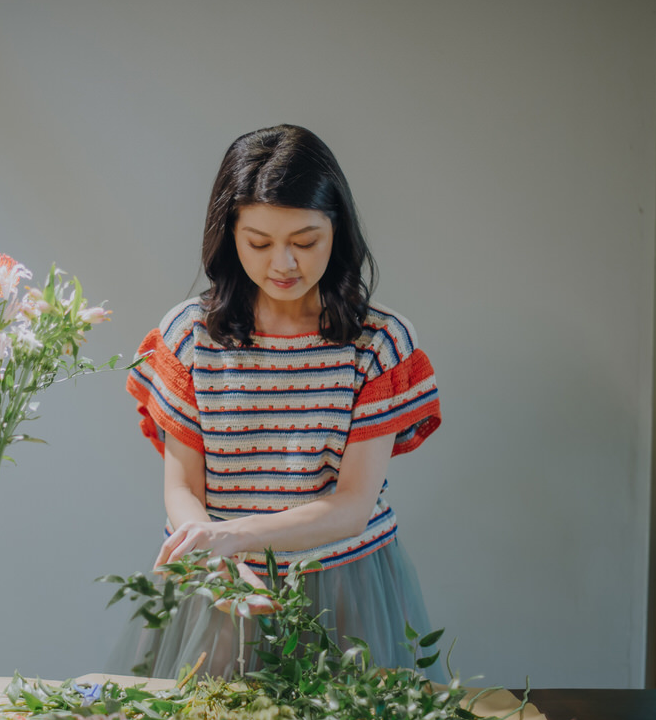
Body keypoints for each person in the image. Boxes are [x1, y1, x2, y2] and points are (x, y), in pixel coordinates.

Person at [111, 124, 443, 681]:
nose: (283, 264)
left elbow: (352, 506)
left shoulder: (377, 344)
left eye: (306, 241)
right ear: (229, 235)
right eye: (259, 244)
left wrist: (232, 537)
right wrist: (215, 557)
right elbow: (183, 489)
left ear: (337, 229)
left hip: (342, 579)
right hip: (221, 581)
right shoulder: (191, 336)